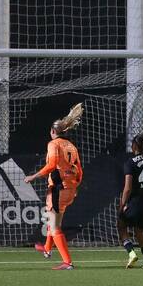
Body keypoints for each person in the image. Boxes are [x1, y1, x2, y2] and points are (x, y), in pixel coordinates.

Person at [26, 103, 85, 271]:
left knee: (54, 225)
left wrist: (33, 176)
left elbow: (52, 165)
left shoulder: (54, 144)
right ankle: (47, 248)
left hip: (59, 188)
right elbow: (79, 169)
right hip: (69, 188)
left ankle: (67, 262)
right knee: (53, 220)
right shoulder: (71, 146)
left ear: (53, 131)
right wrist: (75, 186)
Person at [117, 134, 143, 269]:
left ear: (134, 146)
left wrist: (122, 205)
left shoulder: (130, 162)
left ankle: (131, 254)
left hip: (138, 201)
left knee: (121, 225)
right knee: (140, 231)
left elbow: (128, 188)